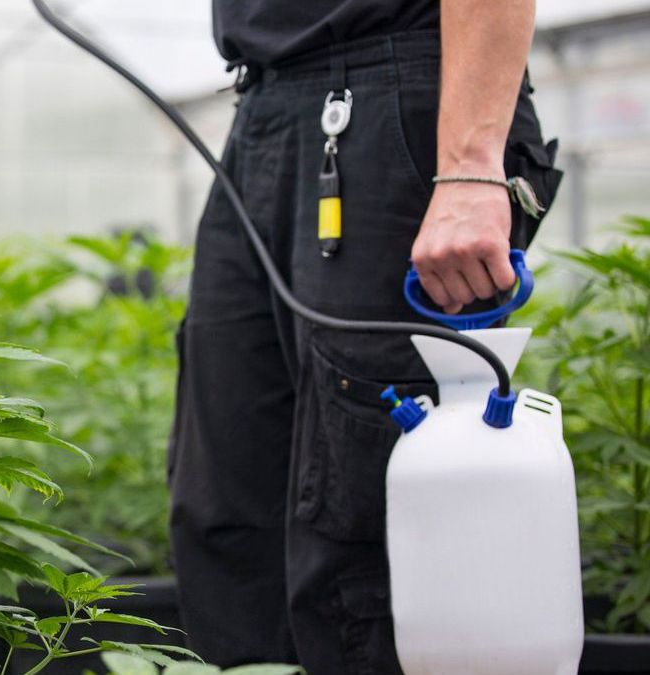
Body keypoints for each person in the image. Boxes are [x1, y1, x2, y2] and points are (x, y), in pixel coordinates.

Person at [168, 1, 564, 672]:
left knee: (366, 521)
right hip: (264, 104)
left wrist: (470, 161)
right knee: (228, 509)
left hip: (396, 90)